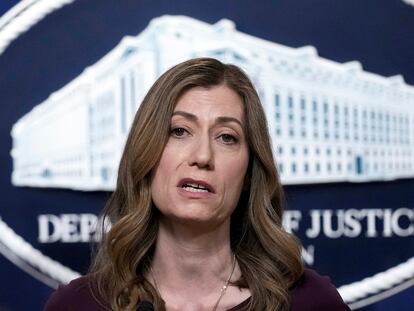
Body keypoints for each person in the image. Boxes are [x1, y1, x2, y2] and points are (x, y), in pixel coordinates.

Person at [44, 57, 350, 311]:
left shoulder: (310, 302)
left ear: (249, 174)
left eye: (227, 137)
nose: (202, 156)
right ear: (146, 156)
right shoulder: (78, 305)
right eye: (179, 131)